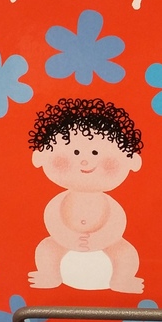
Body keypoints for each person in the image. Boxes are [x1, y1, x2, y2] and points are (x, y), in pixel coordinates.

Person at [28, 97, 144, 293]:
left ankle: (122, 279)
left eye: (96, 152)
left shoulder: (110, 204)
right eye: (75, 152)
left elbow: (116, 225)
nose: (85, 161)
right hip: (63, 243)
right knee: (47, 248)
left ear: (131, 161)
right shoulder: (58, 202)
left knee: (125, 253)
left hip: (107, 244)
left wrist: (99, 239)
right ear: (41, 157)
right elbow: (53, 220)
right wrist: (68, 237)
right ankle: (50, 275)